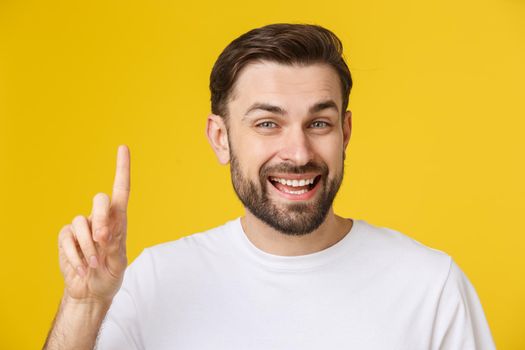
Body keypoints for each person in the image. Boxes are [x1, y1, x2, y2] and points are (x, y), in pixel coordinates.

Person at [44, 23, 495, 350]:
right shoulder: (153, 281)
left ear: (346, 133)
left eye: (319, 122)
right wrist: (84, 305)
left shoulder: (430, 287)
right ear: (221, 139)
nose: (297, 153)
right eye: (267, 123)